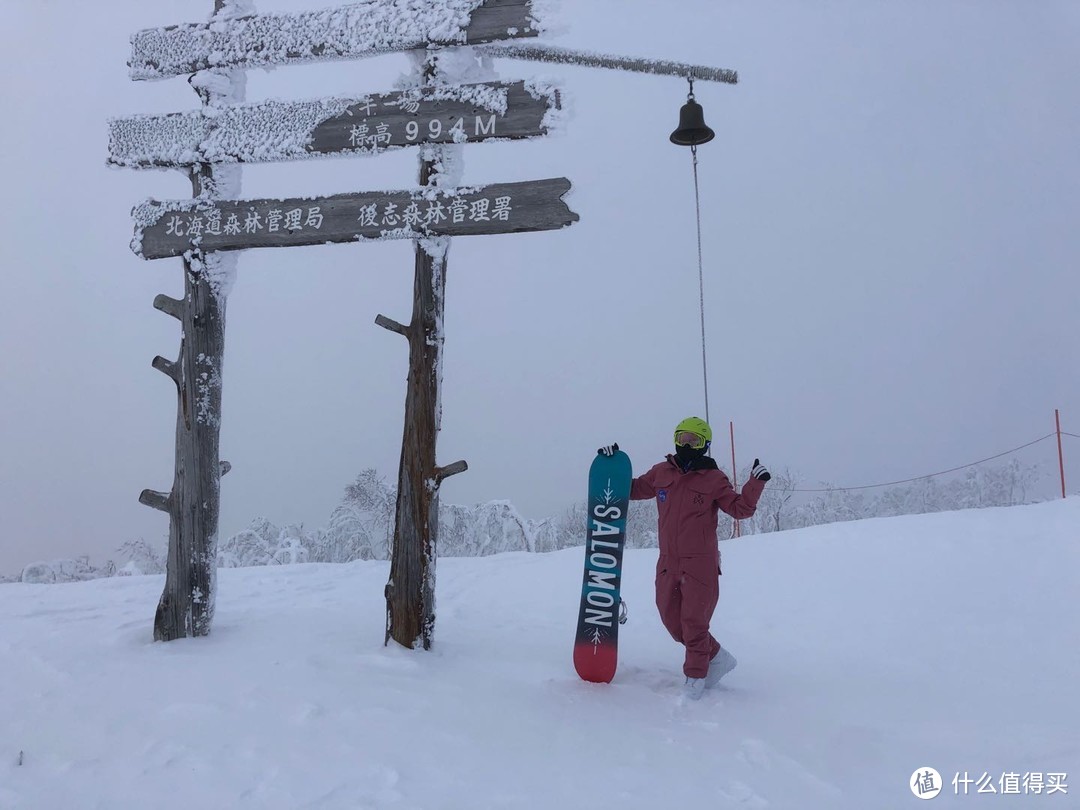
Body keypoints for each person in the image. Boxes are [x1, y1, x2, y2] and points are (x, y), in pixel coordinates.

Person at [599, 417, 770, 700]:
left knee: (693, 622)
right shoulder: (661, 472)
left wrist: (756, 483)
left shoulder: (714, 479)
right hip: (668, 560)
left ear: (705, 446)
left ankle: (695, 677)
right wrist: (612, 465)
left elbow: (740, 509)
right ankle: (718, 657)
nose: (686, 444)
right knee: (671, 619)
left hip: (699, 562)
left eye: (694, 440)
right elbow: (631, 489)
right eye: (682, 438)